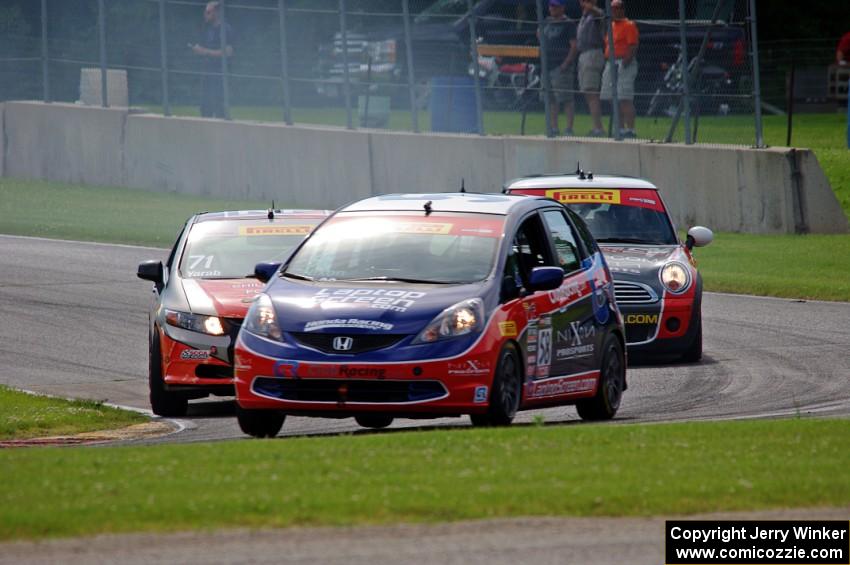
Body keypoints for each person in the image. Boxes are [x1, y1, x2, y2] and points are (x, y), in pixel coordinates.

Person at [539, 0, 579, 136]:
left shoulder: (569, 24)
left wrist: (566, 63)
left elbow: (574, 45)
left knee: (566, 97)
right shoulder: (547, 21)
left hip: (561, 65)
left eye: (555, 6)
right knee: (550, 98)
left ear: (562, 7)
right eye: (551, 6)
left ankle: (569, 128)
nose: (552, 8)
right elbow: (539, 35)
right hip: (547, 66)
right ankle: (553, 127)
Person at [600, 0, 639, 138]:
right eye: (612, 9)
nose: (614, 11)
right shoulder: (611, 25)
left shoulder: (629, 25)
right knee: (611, 96)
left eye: (617, 9)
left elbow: (632, 46)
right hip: (610, 62)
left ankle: (631, 130)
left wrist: (624, 63)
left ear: (622, 10)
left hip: (623, 62)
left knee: (624, 97)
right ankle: (620, 128)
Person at [190, 1, 234, 118]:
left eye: (209, 12)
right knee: (205, 105)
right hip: (206, 70)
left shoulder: (225, 29)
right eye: (205, 11)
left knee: (218, 103)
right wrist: (197, 50)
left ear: (217, 13)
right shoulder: (206, 28)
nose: (205, 14)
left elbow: (228, 52)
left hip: (219, 72)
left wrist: (205, 52)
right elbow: (203, 47)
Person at [576, 0, 606, 136]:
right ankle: (596, 126)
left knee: (592, 92)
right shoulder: (585, 16)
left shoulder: (596, 14)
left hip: (592, 53)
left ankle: (598, 128)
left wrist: (590, 6)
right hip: (583, 54)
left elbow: (599, 14)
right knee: (588, 92)